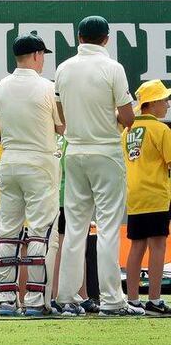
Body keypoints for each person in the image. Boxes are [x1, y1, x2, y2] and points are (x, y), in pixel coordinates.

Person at [54, 16, 142, 317]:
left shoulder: (63, 69)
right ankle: (113, 301)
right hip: (105, 151)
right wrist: (111, 121)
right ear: (106, 39)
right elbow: (129, 119)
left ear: (79, 37)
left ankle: (66, 297)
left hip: (74, 152)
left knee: (75, 228)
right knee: (107, 229)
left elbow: (61, 115)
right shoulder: (112, 68)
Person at [0, 32, 64, 316]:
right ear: (36, 55)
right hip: (40, 162)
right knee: (41, 231)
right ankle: (35, 301)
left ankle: (6, 300)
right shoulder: (48, 88)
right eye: (42, 55)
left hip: (9, 162)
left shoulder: (0, 88)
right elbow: (62, 127)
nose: (43, 60)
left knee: (7, 231)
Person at [122, 80, 171, 315]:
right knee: (158, 245)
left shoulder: (128, 131)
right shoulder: (161, 130)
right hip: (156, 194)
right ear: (150, 104)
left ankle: (132, 299)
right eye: (163, 100)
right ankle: (154, 300)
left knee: (137, 246)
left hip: (135, 195)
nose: (167, 104)